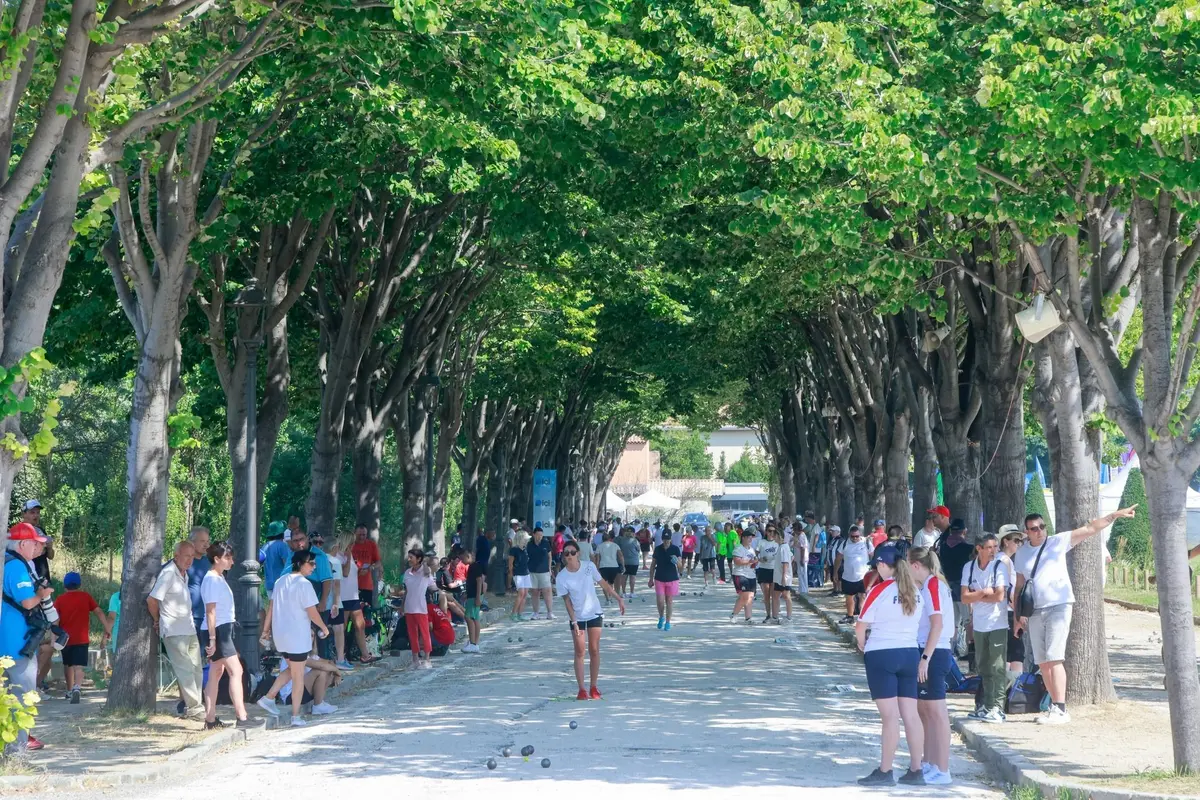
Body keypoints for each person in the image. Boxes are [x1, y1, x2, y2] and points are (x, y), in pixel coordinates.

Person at [1015, 505, 1137, 725]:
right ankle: (1054, 705)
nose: (1040, 531)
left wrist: (1114, 515)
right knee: (1042, 663)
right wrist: (1018, 616)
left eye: (1042, 526)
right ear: (1027, 532)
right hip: (1034, 611)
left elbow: (1089, 529)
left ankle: (1061, 707)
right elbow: (1019, 586)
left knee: (1054, 658)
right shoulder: (1022, 552)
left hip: (1058, 605)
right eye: (1034, 529)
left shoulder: (1056, 541)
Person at [855, 544, 926, 787]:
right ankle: (916, 770)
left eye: (877, 565)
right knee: (911, 715)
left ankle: (886, 771)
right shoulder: (916, 591)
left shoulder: (879, 589)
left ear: (883, 565)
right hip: (909, 653)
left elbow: (861, 624)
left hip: (882, 653)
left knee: (889, 717)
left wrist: (862, 644)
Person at [258, 548, 333, 725]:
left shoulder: (280, 581)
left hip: (282, 635)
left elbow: (271, 608)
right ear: (300, 563)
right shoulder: (304, 584)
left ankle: (269, 697)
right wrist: (323, 627)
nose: (314, 567)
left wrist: (266, 630)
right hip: (297, 635)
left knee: (292, 670)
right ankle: (295, 716)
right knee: (298, 675)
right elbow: (312, 612)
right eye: (311, 563)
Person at [2, 523, 51, 754]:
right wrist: (41, 594)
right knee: (23, 698)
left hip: (7, 641)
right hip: (17, 645)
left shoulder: (6, 563)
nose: (37, 549)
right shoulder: (17, 568)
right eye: (35, 543)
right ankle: (16, 753)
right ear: (23, 544)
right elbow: (27, 602)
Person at [556, 541, 625, 700]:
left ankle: (594, 686)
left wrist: (619, 599)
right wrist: (574, 621)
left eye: (572, 552)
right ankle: (582, 689)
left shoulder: (589, 567)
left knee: (594, 649)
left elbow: (604, 585)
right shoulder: (562, 577)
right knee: (580, 651)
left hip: (594, 613)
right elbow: (567, 601)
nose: (570, 556)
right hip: (577, 617)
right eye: (566, 553)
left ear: (578, 553)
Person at [908, 546, 954, 785]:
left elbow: (937, 624)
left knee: (937, 712)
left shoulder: (933, 585)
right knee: (924, 711)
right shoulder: (927, 586)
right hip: (928, 649)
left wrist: (925, 657)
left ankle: (943, 768)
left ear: (916, 565)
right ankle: (929, 762)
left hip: (935, 652)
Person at [148, 541, 205, 719]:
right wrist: (157, 620)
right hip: (173, 629)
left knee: (196, 668)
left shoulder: (184, 574)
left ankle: (195, 705)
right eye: (186, 556)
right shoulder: (168, 573)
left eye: (191, 557)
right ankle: (194, 707)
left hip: (188, 627)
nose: (189, 560)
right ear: (176, 556)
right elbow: (152, 600)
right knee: (185, 669)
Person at [200, 541, 253, 730]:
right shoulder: (213, 579)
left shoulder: (218, 578)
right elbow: (211, 611)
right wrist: (213, 639)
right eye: (227, 557)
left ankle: (210, 718)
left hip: (220, 629)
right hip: (218, 630)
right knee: (236, 671)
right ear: (216, 559)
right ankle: (242, 717)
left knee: (216, 672)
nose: (231, 561)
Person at [961, 533, 1009, 724]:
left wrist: (976, 596)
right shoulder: (969, 567)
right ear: (979, 548)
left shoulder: (999, 566)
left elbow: (999, 596)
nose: (993, 551)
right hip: (979, 623)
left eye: (995, 547)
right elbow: (964, 597)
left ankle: (998, 706)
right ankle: (985, 705)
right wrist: (982, 592)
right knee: (982, 665)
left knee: (997, 665)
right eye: (989, 547)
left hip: (997, 622)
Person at [53, 572, 111, 703]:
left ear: (64, 585)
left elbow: (55, 619)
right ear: (79, 584)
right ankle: (77, 687)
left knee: (68, 664)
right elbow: (99, 612)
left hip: (65, 639)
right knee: (78, 666)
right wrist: (107, 629)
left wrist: (53, 637)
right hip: (82, 638)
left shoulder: (60, 599)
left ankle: (69, 690)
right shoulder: (86, 597)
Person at [937, 518, 974, 656]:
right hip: (964, 588)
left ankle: (951, 650)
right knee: (968, 621)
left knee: (953, 622)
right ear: (964, 531)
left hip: (948, 587)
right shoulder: (969, 548)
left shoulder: (943, 547)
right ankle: (969, 651)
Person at [328, 532, 360, 670]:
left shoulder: (344, 556)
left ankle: (341, 657)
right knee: (338, 628)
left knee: (341, 627)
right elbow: (343, 575)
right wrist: (348, 557)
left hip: (345, 596)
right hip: (339, 597)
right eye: (351, 543)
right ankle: (339, 657)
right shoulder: (337, 557)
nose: (353, 545)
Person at [998, 525, 1026, 675]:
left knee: (1008, 652)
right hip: (1008, 612)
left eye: (1020, 541)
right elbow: (1007, 591)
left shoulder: (1002, 559)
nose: (1019, 544)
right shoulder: (1005, 561)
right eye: (1016, 540)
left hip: (1003, 613)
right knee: (1016, 652)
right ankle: (1015, 690)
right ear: (1006, 541)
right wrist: (1018, 612)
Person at [402, 548, 437, 669]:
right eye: (409, 556)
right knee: (412, 635)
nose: (409, 559)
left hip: (421, 608)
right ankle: (415, 659)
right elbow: (406, 591)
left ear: (418, 559)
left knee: (425, 633)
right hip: (409, 607)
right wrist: (402, 606)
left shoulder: (425, 571)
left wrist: (425, 564)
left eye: (411, 557)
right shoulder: (407, 572)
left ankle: (427, 659)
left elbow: (432, 584)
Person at [835, 526, 873, 623]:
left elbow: (872, 556)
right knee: (849, 597)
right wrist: (835, 572)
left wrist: (873, 571)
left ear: (860, 534)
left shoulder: (866, 543)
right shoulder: (844, 543)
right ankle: (850, 616)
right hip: (848, 576)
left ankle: (862, 618)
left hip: (863, 575)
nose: (855, 538)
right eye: (852, 536)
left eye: (857, 536)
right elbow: (838, 558)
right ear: (849, 535)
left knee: (862, 596)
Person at [649, 530, 682, 631]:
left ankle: (668, 622)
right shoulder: (658, 549)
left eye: (668, 539)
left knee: (669, 601)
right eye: (665, 539)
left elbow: (681, 567)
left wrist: (677, 562)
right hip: (659, 578)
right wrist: (650, 578)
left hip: (672, 578)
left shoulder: (675, 549)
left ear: (671, 539)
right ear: (662, 539)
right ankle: (661, 617)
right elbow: (653, 564)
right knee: (660, 601)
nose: (666, 541)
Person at [187, 526, 212, 642]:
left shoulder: (209, 562)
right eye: (202, 541)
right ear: (192, 542)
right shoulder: (184, 562)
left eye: (207, 541)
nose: (206, 545)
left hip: (207, 616)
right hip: (190, 617)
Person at [729, 530, 758, 624]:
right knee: (744, 596)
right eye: (749, 537)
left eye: (751, 537)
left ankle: (748, 618)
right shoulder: (738, 548)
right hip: (740, 574)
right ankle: (734, 614)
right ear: (743, 538)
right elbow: (737, 561)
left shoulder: (751, 549)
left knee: (750, 597)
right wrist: (750, 561)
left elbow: (753, 562)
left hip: (751, 574)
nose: (750, 539)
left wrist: (755, 562)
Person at [351, 525, 382, 607]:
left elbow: (378, 562)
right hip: (351, 584)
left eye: (364, 535)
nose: (362, 537)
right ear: (354, 533)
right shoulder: (350, 545)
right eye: (359, 535)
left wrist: (370, 568)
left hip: (366, 585)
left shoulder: (371, 545)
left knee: (365, 613)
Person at [755, 523, 781, 624]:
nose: (771, 533)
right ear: (766, 532)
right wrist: (760, 559)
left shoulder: (777, 543)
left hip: (774, 570)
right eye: (769, 531)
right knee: (766, 594)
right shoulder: (761, 542)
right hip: (764, 569)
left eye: (773, 531)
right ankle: (768, 615)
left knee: (774, 594)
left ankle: (775, 615)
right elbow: (755, 554)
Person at [527, 527, 554, 620]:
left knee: (547, 592)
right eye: (538, 535)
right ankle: (535, 613)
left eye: (541, 535)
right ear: (534, 534)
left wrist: (549, 568)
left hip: (544, 571)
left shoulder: (546, 543)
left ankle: (550, 612)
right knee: (535, 592)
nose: (539, 537)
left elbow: (550, 556)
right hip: (532, 571)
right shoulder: (529, 544)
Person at [461, 550, 484, 653]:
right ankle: (474, 642)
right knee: (474, 618)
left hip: (474, 596)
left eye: (463, 558)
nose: (462, 561)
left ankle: (473, 642)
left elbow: (479, 581)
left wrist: (478, 596)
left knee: (469, 617)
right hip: (472, 595)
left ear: (468, 556)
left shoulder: (475, 566)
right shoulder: (471, 567)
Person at [260, 520, 291, 594]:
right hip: (282, 585)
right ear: (282, 533)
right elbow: (287, 565)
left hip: (269, 585)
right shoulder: (282, 546)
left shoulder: (264, 547)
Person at [507, 531, 531, 621]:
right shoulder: (514, 549)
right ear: (521, 539)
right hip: (518, 574)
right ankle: (514, 614)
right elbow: (510, 564)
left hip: (526, 573)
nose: (527, 540)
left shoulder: (525, 549)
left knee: (525, 594)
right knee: (520, 594)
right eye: (525, 539)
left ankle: (520, 614)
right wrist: (512, 573)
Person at [772, 527, 794, 622]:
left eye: (775, 535)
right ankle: (775, 616)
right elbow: (791, 557)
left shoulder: (784, 547)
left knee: (786, 596)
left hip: (783, 577)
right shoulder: (781, 547)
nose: (773, 537)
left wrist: (784, 576)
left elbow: (785, 562)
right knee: (776, 596)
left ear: (779, 536)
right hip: (778, 577)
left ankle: (789, 617)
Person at [596, 530, 623, 605]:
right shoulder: (615, 545)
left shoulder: (599, 546)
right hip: (614, 566)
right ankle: (610, 597)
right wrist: (623, 565)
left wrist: (596, 568)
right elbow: (620, 556)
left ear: (602, 539)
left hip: (603, 566)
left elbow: (597, 559)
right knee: (611, 582)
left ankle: (607, 599)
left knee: (604, 583)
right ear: (610, 538)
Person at [617, 526, 641, 600]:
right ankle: (632, 592)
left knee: (624, 577)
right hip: (634, 562)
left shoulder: (622, 540)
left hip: (624, 561)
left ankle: (624, 593)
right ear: (634, 533)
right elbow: (638, 549)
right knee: (632, 577)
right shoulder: (635, 541)